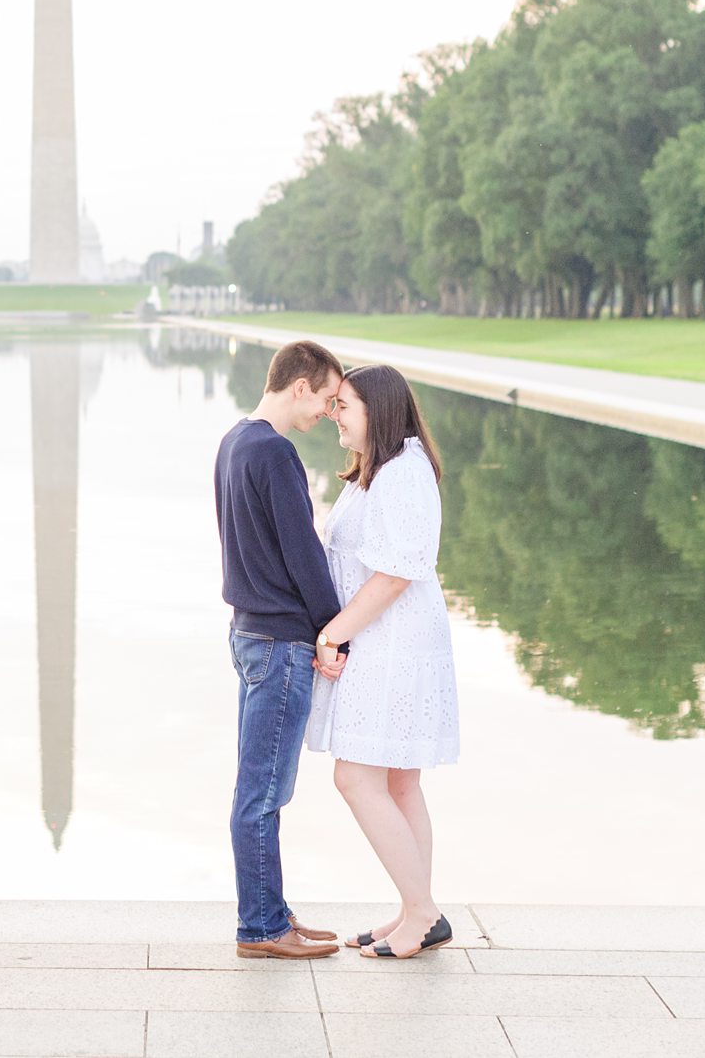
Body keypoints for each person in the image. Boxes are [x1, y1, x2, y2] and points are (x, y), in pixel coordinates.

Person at [307, 364, 461, 959]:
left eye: (342, 404)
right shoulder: (379, 470)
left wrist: (334, 633)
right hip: (384, 638)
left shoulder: (402, 474)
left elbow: (397, 572)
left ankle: (422, 911)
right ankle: (416, 911)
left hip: (393, 643)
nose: (332, 413)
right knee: (398, 781)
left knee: (357, 776)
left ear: (378, 409)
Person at [214, 338, 349, 959]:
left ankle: (271, 911)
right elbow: (304, 554)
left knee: (257, 787)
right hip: (282, 642)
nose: (326, 410)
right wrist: (333, 632)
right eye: (324, 397)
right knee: (264, 793)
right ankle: (263, 929)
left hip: (247, 632)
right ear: (300, 385)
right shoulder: (275, 452)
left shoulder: (233, 443)